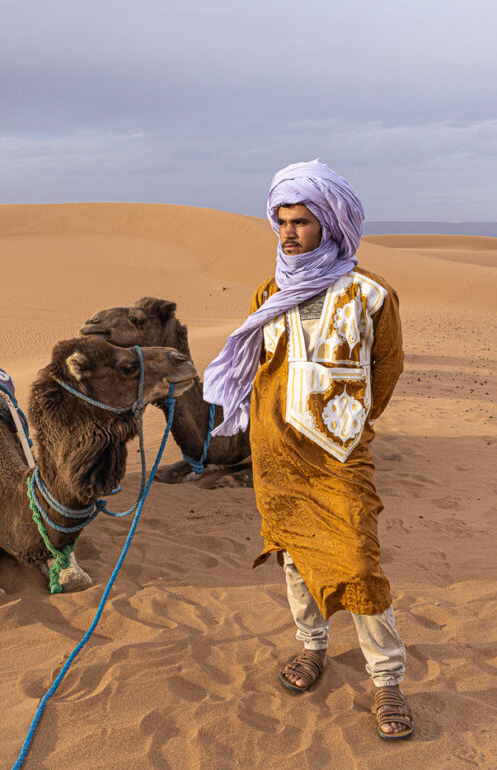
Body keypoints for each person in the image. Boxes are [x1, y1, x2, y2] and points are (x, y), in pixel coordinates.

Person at [203, 159, 413, 740]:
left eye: (301, 221)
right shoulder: (271, 292)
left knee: (360, 562)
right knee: (294, 555)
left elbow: (386, 369)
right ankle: (313, 647)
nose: (289, 232)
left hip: (339, 456)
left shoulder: (370, 294)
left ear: (330, 223)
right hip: (276, 455)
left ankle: (387, 680)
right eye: (282, 222)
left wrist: (347, 421)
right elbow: (261, 367)